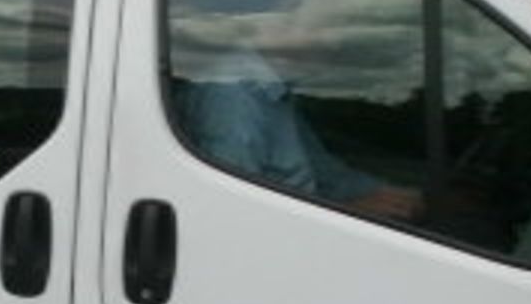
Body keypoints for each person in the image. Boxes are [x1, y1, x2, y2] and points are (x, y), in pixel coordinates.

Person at [176, 45, 421, 221]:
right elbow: (235, 209)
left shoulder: (272, 89)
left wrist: (386, 192)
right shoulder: (234, 95)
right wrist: (354, 210)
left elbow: (321, 171)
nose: (333, 51)